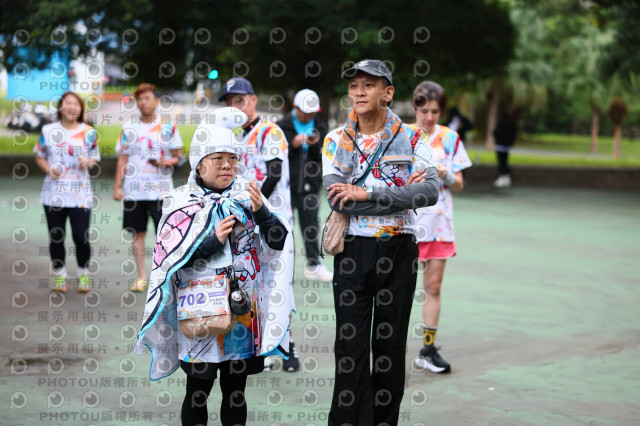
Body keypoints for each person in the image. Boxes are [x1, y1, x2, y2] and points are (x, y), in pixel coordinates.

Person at [134, 108, 295, 426]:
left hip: (243, 310)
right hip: (199, 309)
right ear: (198, 163)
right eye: (217, 158)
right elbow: (167, 260)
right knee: (198, 388)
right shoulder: (180, 202)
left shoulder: (249, 195)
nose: (227, 165)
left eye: (232, 158)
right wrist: (210, 242)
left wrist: (263, 214)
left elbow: (278, 244)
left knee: (236, 390)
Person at [322, 59, 439, 425]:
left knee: (389, 348)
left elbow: (430, 192)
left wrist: (366, 193)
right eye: (354, 85)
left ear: (388, 93)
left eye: (369, 85)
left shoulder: (414, 138)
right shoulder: (334, 140)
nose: (359, 92)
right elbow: (337, 199)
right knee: (350, 348)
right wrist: (401, 194)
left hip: (399, 251)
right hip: (353, 251)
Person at [219, 77, 300, 372]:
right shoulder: (233, 137)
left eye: (240, 99)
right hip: (246, 225)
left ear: (253, 99)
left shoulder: (270, 131)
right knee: (252, 285)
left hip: (272, 221)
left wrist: (256, 208)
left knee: (278, 285)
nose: (235, 105)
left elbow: (274, 174)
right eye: (230, 101)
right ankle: (259, 347)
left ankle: (288, 348)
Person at [411, 81, 473, 374]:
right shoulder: (402, 136)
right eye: (424, 110)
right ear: (415, 108)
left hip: (438, 225)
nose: (429, 117)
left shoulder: (450, 138)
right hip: (405, 226)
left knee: (433, 288)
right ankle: (388, 349)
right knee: (394, 290)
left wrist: (446, 174)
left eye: (435, 111)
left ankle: (428, 349)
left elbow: (459, 185)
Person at [113, 83, 184, 292]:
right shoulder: (129, 127)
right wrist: (117, 186)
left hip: (161, 191)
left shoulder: (168, 127)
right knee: (138, 234)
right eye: (140, 99)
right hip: (134, 191)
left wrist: (167, 162)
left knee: (166, 235)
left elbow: (179, 156)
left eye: (147, 98)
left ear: (157, 101)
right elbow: (123, 158)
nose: (143, 102)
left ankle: (165, 277)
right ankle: (142, 276)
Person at [34, 91, 100, 293]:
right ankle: (60, 275)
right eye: (68, 103)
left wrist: (88, 161)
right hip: (53, 194)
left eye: (76, 104)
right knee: (56, 236)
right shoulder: (48, 130)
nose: (72, 107)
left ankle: (83, 274)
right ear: (60, 107)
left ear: (81, 109)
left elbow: (94, 158)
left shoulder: (88, 132)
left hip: (80, 194)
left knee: (81, 236)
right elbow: (39, 155)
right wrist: (49, 170)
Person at [276, 89, 333, 282]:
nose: (309, 116)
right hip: (286, 187)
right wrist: (293, 144)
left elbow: (323, 157)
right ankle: (283, 268)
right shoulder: (282, 126)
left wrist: (315, 145)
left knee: (311, 226)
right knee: (284, 229)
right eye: (305, 112)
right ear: (296, 108)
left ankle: (314, 265)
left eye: (312, 112)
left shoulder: (320, 126)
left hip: (311, 186)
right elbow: (277, 156)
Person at [493, 111, 517, 188]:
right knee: (504, 162)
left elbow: (495, 133)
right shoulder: (510, 125)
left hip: (502, 146)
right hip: (505, 146)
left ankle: (503, 177)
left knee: (502, 162)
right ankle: (505, 177)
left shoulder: (502, 125)